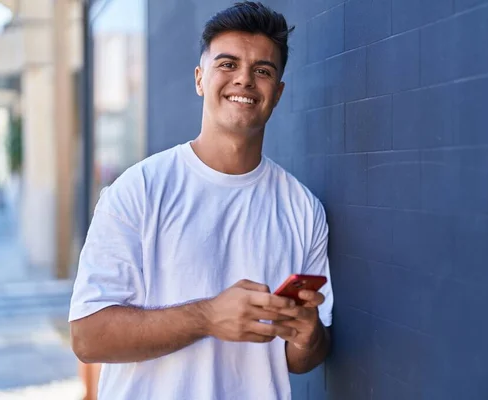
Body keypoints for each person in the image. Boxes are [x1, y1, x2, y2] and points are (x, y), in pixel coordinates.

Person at [68, 2, 334, 399]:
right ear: (199, 78)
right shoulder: (139, 190)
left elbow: (301, 360)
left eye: (262, 70)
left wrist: (309, 337)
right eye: (227, 64)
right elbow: (88, 338)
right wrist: (207, 317)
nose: (244, 79)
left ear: (277, 94)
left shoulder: (303, 209)